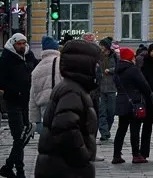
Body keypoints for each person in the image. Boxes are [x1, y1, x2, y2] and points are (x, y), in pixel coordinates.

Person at [34, 39, 102, 178]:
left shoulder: (73, 87)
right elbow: (65, 128)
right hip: (66, 169)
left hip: (60, 166)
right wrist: (83, 156)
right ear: (84, 64)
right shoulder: (73, 90)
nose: (97, 66)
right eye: (95, 63)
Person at [110, 46, 153, 164]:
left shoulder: (117, 70)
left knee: (121, 129)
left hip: (121, 101)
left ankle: (116, 155)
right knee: (135, 129)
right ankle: (136, 155)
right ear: (130, 57)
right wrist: (149, 95)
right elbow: (143, 84)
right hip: (134, 102)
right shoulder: (133, 69)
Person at [0, 34, 33, 178]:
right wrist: (16, 91)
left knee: (24, 136)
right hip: (13, 102)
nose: (22, 46)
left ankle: (9, 166)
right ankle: (19, 170)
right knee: (19, 136)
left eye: (23, 43)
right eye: (19, 44)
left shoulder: (29, 55)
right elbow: (2, 81)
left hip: (27, 103)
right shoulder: (6, 58)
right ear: (13, 44)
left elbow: (34, 71)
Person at [28, 36, 61, 132]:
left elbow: (32, 96)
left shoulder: (37, 69)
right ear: (56, 49)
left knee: (50, 133)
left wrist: (35, 120)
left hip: (45, 107)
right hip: (62, 103)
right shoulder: (63, 63)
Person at [95, 38, 117, 143]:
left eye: (102, 45)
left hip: (112, 88)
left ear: (107, 46)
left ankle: (107, 129)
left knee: (111, 112)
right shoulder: (98, 56)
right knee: (102, 112)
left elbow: (119, 68)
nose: (101, 47)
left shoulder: (115, 56)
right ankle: (104, 132)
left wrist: (111, 70)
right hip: (100, 88)